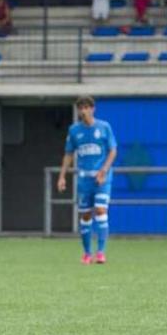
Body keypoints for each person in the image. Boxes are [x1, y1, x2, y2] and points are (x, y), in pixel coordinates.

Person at [57, 96, 118, 265]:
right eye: (80, 108)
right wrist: (62, 176)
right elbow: (69, 154)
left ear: (93, 109)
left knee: (100, 210)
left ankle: (100, 252)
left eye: (86, 107)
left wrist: (104, 171)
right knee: (85, 215)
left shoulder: (104, 127)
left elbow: (113, 151)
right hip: (84, 179)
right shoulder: (74, 131)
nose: (83, 111)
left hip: (102, 178)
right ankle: (86, 253)